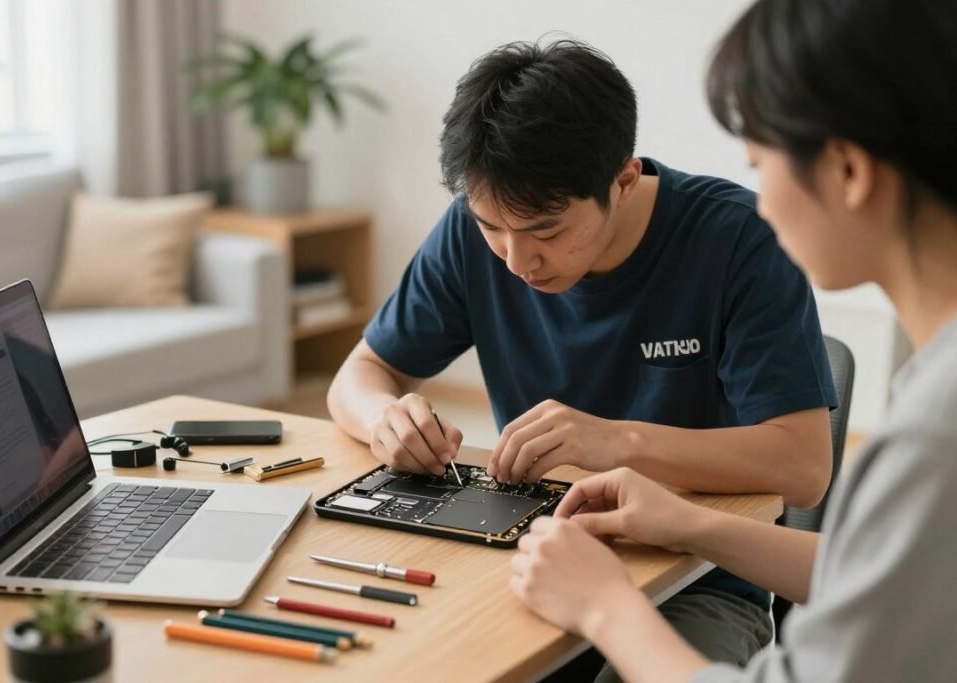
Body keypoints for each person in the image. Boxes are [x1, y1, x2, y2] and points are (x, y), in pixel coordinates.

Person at [328, 38, 837, 667]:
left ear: (622, 181)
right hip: (530, 561)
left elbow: (805, 467)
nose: (517, 262)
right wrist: (385, 418)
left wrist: (616, 441)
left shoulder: (737, 241)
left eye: (547, 232)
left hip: (694, 579)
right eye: (493, 229)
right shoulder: (472, 230)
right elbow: (360, 373)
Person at [509, 1, 957, 681]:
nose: (764, 202)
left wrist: (605, 606)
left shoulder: (934, 435)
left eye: (759, 162)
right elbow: (880, 579)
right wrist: (692, 524)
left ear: (847, 170)